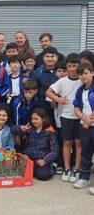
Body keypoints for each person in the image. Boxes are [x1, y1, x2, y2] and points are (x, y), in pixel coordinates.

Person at [46, 53, 82, 183]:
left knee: (79, 144)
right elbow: (48, 92)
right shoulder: (62, 81)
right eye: (70, 66)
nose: (72, 68)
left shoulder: (83, 79)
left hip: (81, 117)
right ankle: (67, 168)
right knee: (67, 143)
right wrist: (58, 98)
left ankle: (76, 168)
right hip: (66, 116)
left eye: (75, 66)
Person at [12, 108, 58, 181]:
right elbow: (13, 129)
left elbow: (55, 151)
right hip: (29, 157)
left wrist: (45, 161)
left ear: (43, 119)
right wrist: (21, 129)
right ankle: (34, 169)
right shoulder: (29, 128)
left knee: (42, 176)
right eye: (32, 119)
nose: (33, 121)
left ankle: (53, 166)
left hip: (42, 159)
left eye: (36, 119)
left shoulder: (50, 131)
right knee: (27, 173)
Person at [73, 62, 94, 193]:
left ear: (92, 72)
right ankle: (84, 177)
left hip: (90, 123)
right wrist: (83, 119)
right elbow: (76, 108)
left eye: (85, 73)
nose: (83, 76)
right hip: (84, 125)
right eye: (80, 74)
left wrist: (90, 119)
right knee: (85, 151)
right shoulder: (80, 90)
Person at [31, 46, 59, 115]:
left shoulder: (62, 70)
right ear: (43, 58)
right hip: (43, 107)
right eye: (47, 56)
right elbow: (34, 90)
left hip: (60, 106)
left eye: (52, 56)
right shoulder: (37, 72)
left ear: (57, 58)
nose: (50, 59)